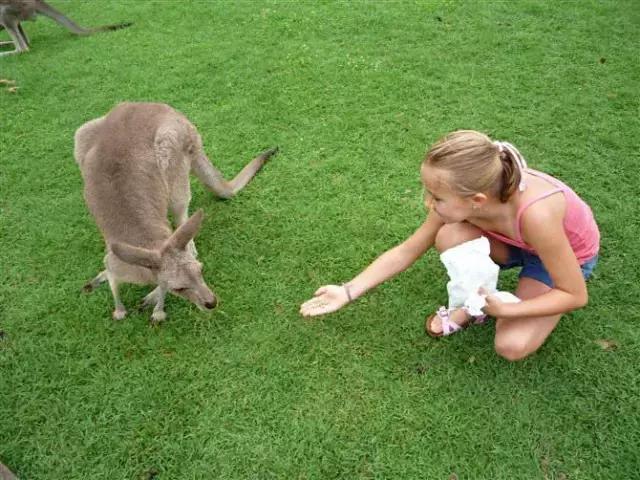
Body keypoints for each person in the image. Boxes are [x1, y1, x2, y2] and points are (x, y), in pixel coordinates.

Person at [300, 130, 600, 361]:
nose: (428, 202)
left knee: (511, 345)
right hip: (513, 241)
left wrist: (510, 311)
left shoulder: (537, 215)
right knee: (448, 235)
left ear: (477, 201)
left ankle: (499, 304)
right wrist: (348, 290)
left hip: (561, 256)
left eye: (436, 197)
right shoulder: (470, 197)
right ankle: (474, 304)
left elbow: (574, 295)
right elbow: (408, 249)